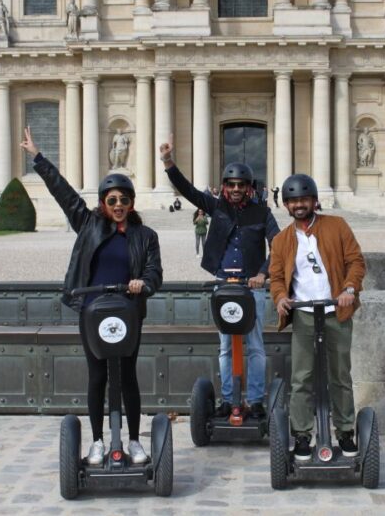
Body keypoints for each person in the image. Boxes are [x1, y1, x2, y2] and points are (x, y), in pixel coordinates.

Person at [21, 126, 163, 467]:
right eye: (112, 200)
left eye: (124, 200)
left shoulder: (146, 235)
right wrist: (38, 158)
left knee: (127, 375)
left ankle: (132, 440)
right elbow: (64, 193)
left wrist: (142, 284)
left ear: (131, 203)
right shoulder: (88, 224)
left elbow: (155, 273)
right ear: (103, 203)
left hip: (128, 311)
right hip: (92, 310)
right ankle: (98, 441)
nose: (118, 205)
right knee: (97, 375)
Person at [159, 136, 279, 418]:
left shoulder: (263, 213)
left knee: (256, 346)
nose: (236, 189)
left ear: (250, 187)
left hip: (253, 287)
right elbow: (188, 191)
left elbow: (280, 246)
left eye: (241, 185)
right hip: (224, 285)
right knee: (225, 346)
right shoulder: (217, 207)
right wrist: (168, 162)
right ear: (224, 187)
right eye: (231, 184)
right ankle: (228, 399)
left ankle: (257, 401)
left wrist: (263, 273)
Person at [269, 174, 366, 462]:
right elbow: (275, 278)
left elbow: (356, 261)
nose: (299, 205)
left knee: (340, 375)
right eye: (293, 201)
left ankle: (346, 430)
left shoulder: (337, 226)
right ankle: (301, 434)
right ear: (286, 205)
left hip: (336, 309)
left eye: (304, 199)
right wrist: (280, 298)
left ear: (314, 201)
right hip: (304, 314)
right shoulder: (281, 239)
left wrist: (349, 289)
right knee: (301, 377)